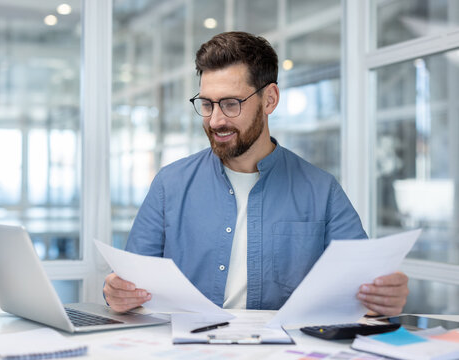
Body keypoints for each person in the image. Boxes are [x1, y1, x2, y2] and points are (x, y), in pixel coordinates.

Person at [104, 31, 409, 316]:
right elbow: (131, 284)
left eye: (231, 104)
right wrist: (118, 294)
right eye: (207, 104)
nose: (215, 121)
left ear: (270, 99)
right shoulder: (169, 185)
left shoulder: (321, 191)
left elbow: (361, 290)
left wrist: (383, 296)